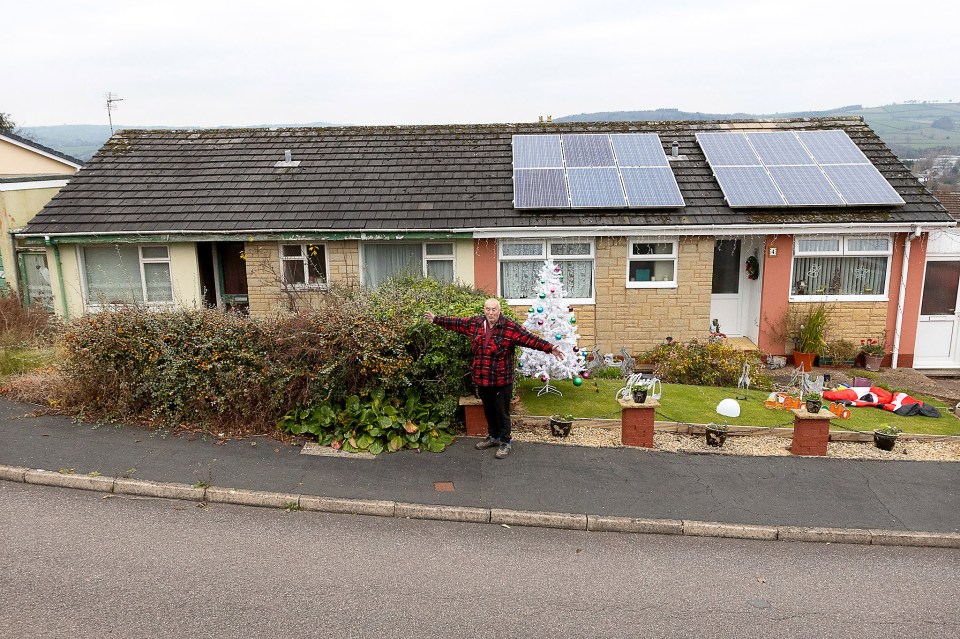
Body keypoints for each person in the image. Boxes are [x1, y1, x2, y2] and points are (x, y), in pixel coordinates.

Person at [424, 299, 564, 459]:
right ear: (484, 310)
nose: (490, 312)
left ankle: (505, 442)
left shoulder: (510, 327)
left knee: (501, 412)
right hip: (483, 379)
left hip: (501, 381)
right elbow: (456, 323)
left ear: (499, 310)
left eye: (494, 309)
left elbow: (529, 339)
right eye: (488, 309)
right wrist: (436, 319)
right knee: (489, 411)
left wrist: (550, 348)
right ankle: (493, 437)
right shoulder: (475, 323)